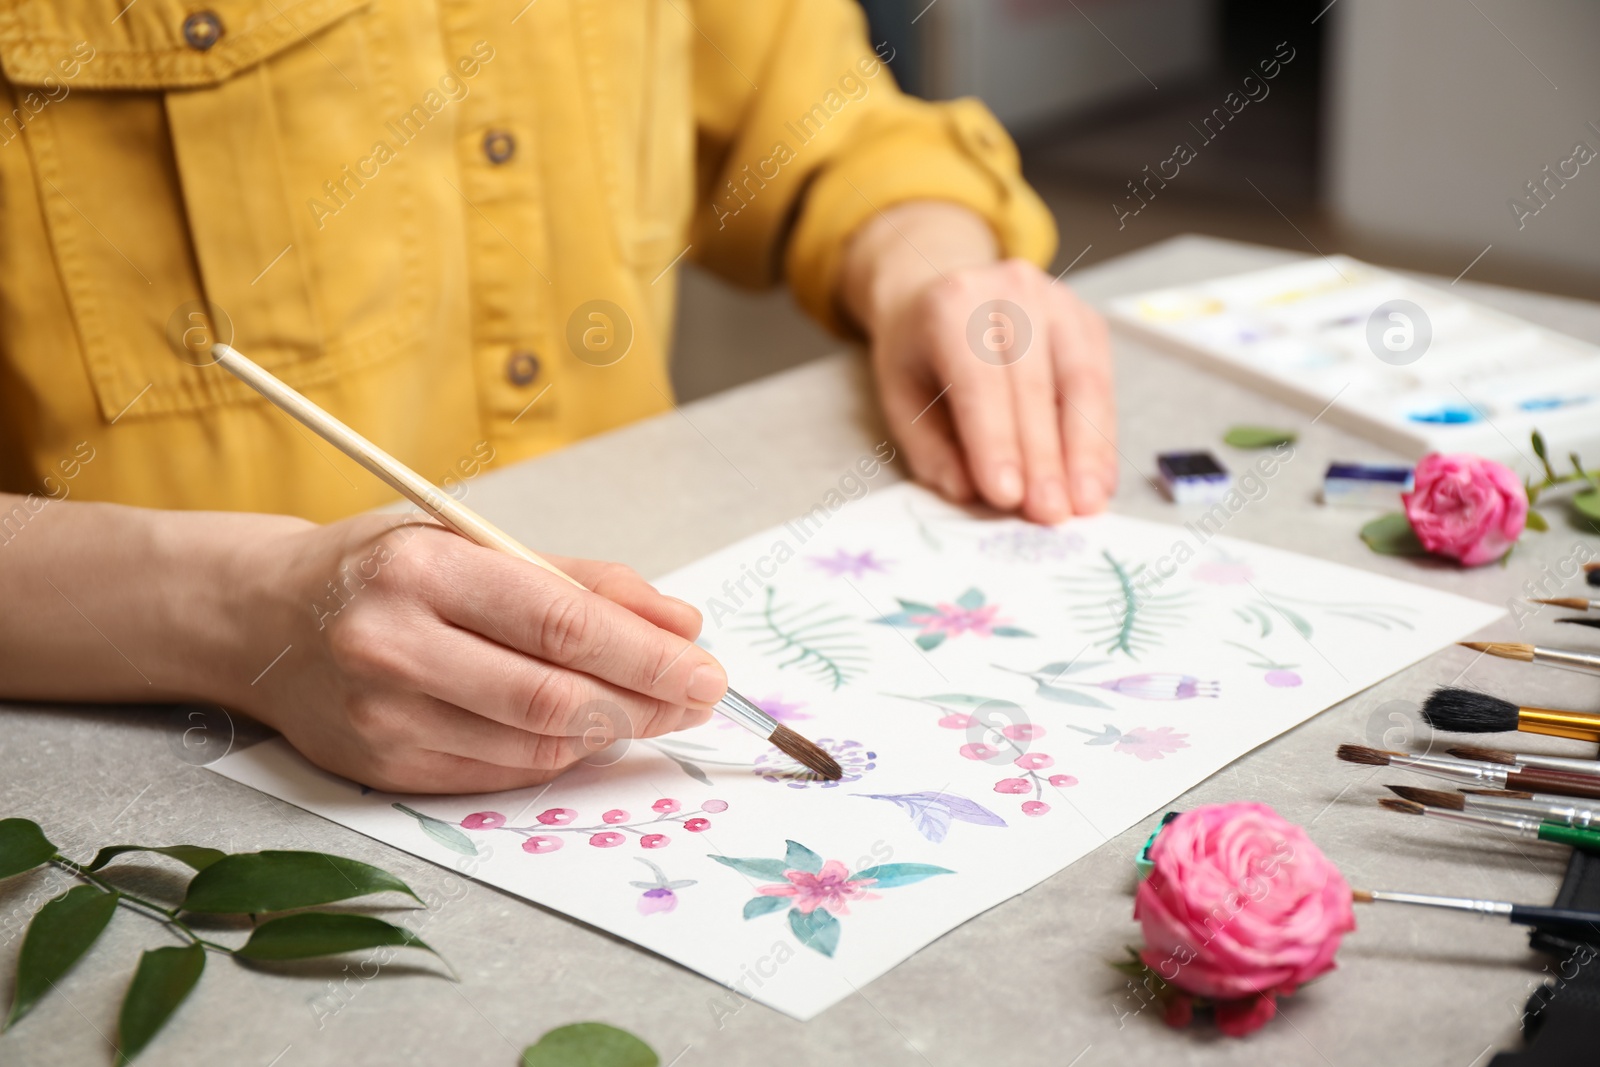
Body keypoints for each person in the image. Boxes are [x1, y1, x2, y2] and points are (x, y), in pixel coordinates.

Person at [0, 1, 1114, 792]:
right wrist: (244, 614)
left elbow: (819, 121)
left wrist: (922, 259)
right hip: (163, 763)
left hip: (641, 607)